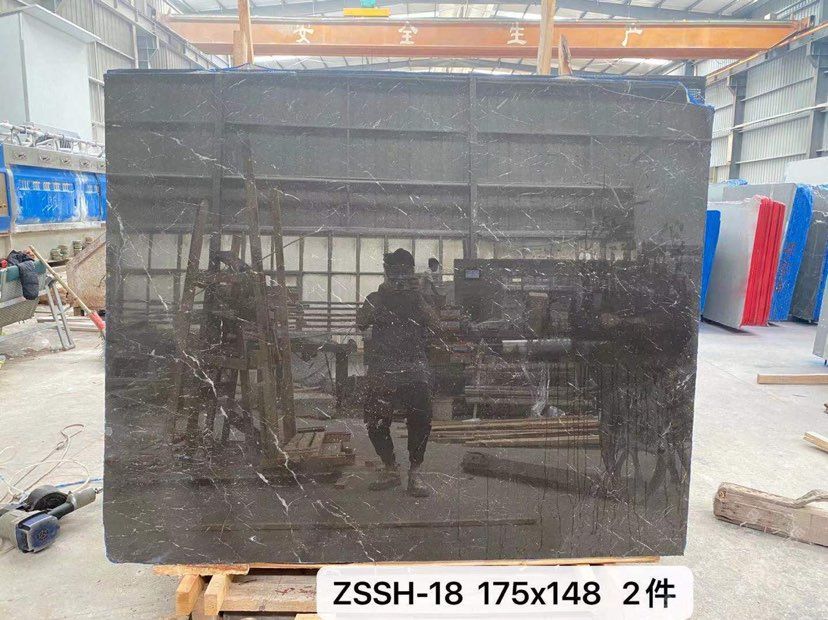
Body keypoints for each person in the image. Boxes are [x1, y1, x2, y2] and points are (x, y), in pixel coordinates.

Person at [356, 248, 440, 497]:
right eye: (395, 272)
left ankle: (415, 473)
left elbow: (436, 325)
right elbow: (361, 321)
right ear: (386, 272)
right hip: (383, 367)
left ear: (412, 272)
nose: (400, 277)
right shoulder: (376, 297)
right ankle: (390, 467)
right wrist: (383, 295)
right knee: (374, 419)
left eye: (405, 272)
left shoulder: (419, 298)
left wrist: (418, 297)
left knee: (421, 418)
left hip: (414, 366)